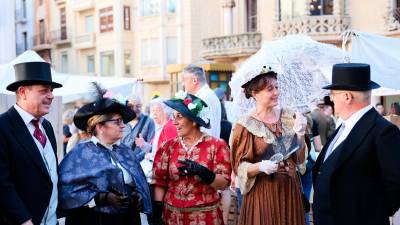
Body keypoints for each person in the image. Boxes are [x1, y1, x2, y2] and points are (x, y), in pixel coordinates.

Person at [312, 63, 400, 225]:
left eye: (333, 93)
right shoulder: (343, 126)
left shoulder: (383, 131)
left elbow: (396, 184)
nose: (330, 98)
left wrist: (369, 214)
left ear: (347, 96)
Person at [58, 84, 151, 225]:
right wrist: (102, 198)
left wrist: (137, 196)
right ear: (100, 126)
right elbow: (67, 193)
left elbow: (136, 182)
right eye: (117, 122)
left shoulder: (125, 151)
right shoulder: (80, 154)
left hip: (128, 219)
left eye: (122, 121)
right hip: (96, 220)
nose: (123, 126)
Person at [230, 68, 308, 225]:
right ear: (254, 93)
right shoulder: (245, 125)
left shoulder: (289, 117)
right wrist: (260, 166)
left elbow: (299, 160)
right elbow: (239, 168)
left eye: (277, 87)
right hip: (263, 193)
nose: (276, 92)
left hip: (290, 191)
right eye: (270, 89)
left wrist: (300, 134)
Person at [151, 92, 231, 225]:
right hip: (172, 218)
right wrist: (157, 212)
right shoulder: (168, 147)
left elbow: (223, 184)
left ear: (193, 121)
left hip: (206, 218)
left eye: (179, 117)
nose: (174, 122)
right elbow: (159, 182)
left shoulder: (216, 146)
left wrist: (204, 173)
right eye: (173, 117)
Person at [0, 61, 62, 225]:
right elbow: (2, 183)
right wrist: (24, 220)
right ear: (22, 92)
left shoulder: (46, 126)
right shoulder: (3, 127)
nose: (51, 95)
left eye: (51, 91)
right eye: (44, 91)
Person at [182, 64, 221, 138]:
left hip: (205, 146)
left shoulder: (202, 98)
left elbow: (204, 130)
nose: (183, 84)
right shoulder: (208, 95)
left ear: (194, 80)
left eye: (184, 80)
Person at [122, 95, 155, 161]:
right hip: (123, 162)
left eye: (138, 106)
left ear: (141, 106)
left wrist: (137, 159)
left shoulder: (148, 121)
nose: (134, 109)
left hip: (141, 164)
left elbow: (151, 146)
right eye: (131, 106)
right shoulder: (122, 122)